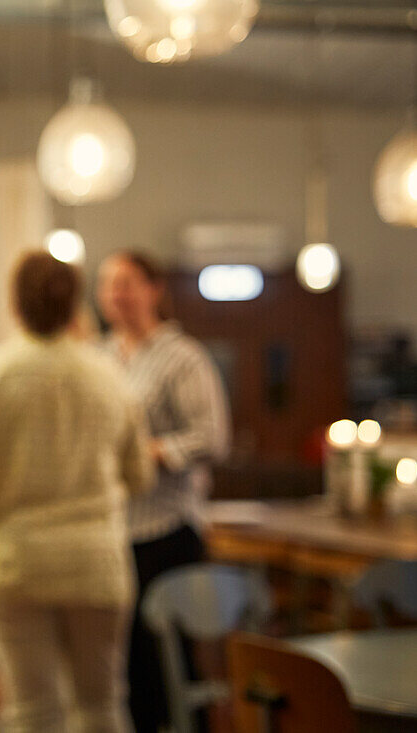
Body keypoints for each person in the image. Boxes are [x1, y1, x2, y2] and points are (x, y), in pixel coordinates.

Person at [0, 252, 153, 733]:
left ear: (15, 304)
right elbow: (140, 477)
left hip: (12, 560)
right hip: (96, 561)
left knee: (33, 710)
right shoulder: (109, 376)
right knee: (102, 704)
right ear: (75, 303)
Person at [96, 250, 231, 733]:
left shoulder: (182, 356)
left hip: (168, 528)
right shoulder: (100, 356)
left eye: (128, 282)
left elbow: (213, 437)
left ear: (154, 290)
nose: (117, 293)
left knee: (173, 661)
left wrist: (150, 452)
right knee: (129, 660)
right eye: (109, 284)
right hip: (116, 529)